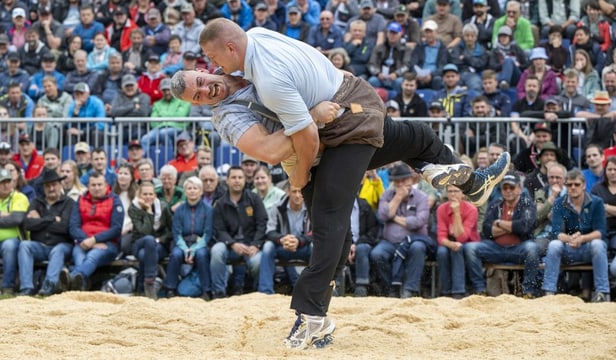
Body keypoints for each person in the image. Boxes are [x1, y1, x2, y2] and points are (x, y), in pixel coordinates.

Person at [188, 20, 510, 348]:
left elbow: (308, 133)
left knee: (333, 220)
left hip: (344, 121)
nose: (209, 77)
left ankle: (311, 317)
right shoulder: (235, 92)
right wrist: (300, 169)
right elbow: (276, 148)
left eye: (205, 74)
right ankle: (456, 177)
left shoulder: (260, 70)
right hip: (333, 126)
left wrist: (303, 166)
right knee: (413, 140)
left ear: (222, 56)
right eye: (197, 94)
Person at [464, 171, 540, 298]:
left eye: (512, 187)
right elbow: (487, 229)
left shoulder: (527, 204)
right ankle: (480, 290)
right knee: (470, 248)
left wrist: (499, 223)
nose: (508, 190)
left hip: (519, 249)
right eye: (505, 187)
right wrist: (512, 226)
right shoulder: (495, 204)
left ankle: (528, 291)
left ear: (520, 189)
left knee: (532, 249)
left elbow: (525, 227)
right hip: (496, 249)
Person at [541, 170, 611, 302]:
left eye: (576, 184)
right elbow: (556, 232)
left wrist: (582, 238)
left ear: (584, 185)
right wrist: (571, 239)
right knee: (554, 245)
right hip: (568, 248)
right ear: (566, 186)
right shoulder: (559, 203)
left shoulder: (596, 202)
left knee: (598, 244)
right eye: (569, 185)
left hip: (588, 248)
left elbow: (600, 232)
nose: (573, 187)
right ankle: (549, 292)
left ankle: (602, 293)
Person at [372, 164, 435, 298]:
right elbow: (382, 216)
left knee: (418, 248)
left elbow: (419, 221)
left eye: (403, 180)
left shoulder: (421, 197)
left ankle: (409, 289)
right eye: (397, 181)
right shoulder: (387, 195)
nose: (400, 184)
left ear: (410, 180)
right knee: (377, 254)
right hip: (390, 241)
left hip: (414, 239)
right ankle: (392, 288)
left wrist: (394, 217)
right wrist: (397, 198)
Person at [210, 166, 267, 298]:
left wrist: (255, 244)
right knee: (216, 251)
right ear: (227, 181)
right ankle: (219, 292)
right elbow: (219, 229)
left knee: (257, 262)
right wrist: (232, 244)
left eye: (240, 177)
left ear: (245, 180)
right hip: (229, 245)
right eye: (233, 177)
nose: (237, 181)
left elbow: (262, 223)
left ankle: (253, 291)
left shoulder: (254, 199)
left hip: (251, 245)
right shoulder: (220, 203)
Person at [18, 169, 75, 296]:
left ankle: (49, 286)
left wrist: (40, 221)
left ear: (60, 185)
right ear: (43, 188)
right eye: (48, 186)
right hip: (40, 245)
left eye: (54, 185)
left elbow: (65, 227)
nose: (51, 188)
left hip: (62, 245)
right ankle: (26, 287)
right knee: (24, 245)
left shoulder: (69, 203)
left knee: (58, 250)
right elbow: (28, 224)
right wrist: (52, 219)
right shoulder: (36, 202)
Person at [67, 171, 124, 291]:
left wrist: (94, 240)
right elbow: (73, 227)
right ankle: (79, 288)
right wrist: (87, 241)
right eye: (93, 185)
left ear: (106, 185)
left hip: (108, 244)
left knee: (92, 257)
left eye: (100, 185)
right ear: (88, 186)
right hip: (83, 242)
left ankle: (69, 281)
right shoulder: (81, 200)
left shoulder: (115, 200)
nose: (97, 188)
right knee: (80, 260)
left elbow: (116, 229)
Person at [258, 182, 312, 295]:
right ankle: (265, 291)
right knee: (268, 247)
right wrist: (282, 239)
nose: (298, 195)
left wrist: (299, 241)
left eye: (300, 192)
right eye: (294, 191)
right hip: (283, 246)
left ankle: (314, 290)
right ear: (288, 192)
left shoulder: (311, 207)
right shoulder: (277, 207)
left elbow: (316, 232)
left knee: (316, 248)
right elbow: (270, 231)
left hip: (303, 246)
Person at [164, 176, 212, 299]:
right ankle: (170, 288)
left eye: (195, 188)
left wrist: (194, 249)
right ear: (185, 192)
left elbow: (208, 233)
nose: (192, 191)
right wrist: (185, 249)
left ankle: (206, 290)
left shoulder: (208, 210)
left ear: (201, 191)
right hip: (182, 243)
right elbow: (176, 233)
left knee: (202, 255)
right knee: (175, 255)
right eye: (189, 188)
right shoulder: (179, 210)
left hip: (200, 243)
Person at [436, 185, 480, 298]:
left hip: (468, 242)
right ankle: (445, 291)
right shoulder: (441, 209)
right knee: (442, 252)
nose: (453, 194)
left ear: (463, 194)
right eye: (450, 191)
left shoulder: (471, 209)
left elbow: (462, 237)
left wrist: (456, 213)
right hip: (449, 242)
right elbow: (441, 237)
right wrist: (451, 244)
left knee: (459, 249)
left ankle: (458, 291)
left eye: (456, 191)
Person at [128, 181, 170, 299]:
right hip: (139, 243)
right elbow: (144, 231)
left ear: (155, 195)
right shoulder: (133, 209)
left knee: (144, 255)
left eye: (151, 194)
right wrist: (148, 212)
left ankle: (143, 287)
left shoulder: (163, 207)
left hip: (159, 245)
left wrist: (160, 240)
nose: (148, 197)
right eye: (145, 194)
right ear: (139, 196)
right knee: (149, 239)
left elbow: (171, 230)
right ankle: (150, 282)